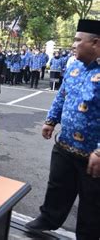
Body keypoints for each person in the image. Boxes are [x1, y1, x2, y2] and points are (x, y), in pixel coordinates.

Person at [25, 19, 100, 239]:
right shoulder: (74, 65)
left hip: (92, 154)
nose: (73, 44)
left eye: (78, 40)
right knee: (58, 185)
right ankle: (48, 218)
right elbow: (62, 95)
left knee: (92, 200)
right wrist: (51, 120)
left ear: (95, 43)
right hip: (66, 143)